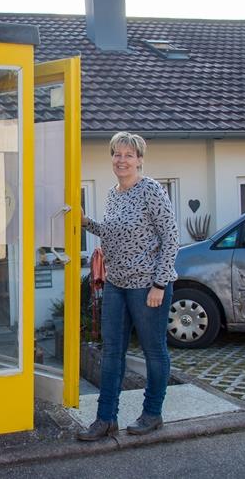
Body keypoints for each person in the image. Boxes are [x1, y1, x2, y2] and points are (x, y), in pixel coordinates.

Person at [76, 131, 180, 440]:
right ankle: (106, 418)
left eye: (128, 155)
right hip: (116, 284)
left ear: (139, 160)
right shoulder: (113, 194)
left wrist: (160, 284)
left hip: (147, 285)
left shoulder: (151, 190)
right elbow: (111, 235)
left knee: (154, 352)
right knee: (111, 353)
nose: (122, 160)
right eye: (117, 154)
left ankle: (152, 414)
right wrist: (86, 224)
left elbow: (171, 238)